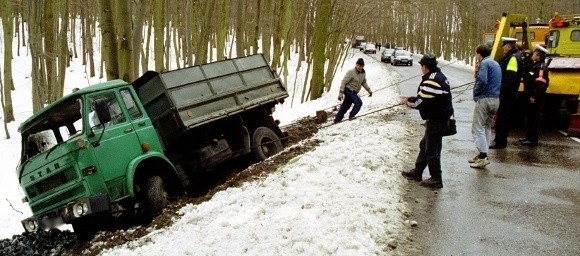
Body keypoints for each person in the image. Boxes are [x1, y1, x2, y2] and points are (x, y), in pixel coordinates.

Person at [401, 54, 454, 188]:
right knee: (424, 145)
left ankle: (436, 178)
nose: (421, 68)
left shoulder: (432, 80)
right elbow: (426, 97)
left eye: (421, 66)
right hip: (437, 118)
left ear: (425, 67)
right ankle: (417, 172)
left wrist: (408, 102)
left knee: (432, 150)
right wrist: (411, 98)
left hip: (438, 119)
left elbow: (421, 102)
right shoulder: (436, 76)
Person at [469, 44, 501, 168]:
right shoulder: (496, 63)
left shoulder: (484, 64)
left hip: (485, 99)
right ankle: (484, 153)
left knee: (477, 128)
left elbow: (482, 80)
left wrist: (476, 93)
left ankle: (483, 156)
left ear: (479, 54)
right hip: (495, 99)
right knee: (487, 128)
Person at [490, 37, 523, 149]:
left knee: (502, 118)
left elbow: (510, 77)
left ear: (508, 46)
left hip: (507, 94)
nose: (502, 48)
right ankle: (500, 140)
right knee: (502, 117)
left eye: (503, 46)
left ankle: (500, 141)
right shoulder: (511, 57)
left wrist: (501, 90)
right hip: (508, 93)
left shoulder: (513, 58)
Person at [519, 45, 550, 146]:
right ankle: (528, 137)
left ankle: (532, 139)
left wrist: (534, 96)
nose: (532, 55)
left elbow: (540, 84)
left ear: (539, 56)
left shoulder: (541, 67)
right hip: (530, 95)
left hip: (536, 97)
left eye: (534, 54)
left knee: (534, 118)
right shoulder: (535, 65)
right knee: (529, 117)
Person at [333, 58, 373, 123]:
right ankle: (352, 115)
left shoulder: (363, 73)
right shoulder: (351, 72)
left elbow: (363, 82)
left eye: (361, 66)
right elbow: (343, 82)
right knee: (358, 102)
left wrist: (369, 90)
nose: (359, 67)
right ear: (356, 65)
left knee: (345, 106)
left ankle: (337, 119)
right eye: (358, 65)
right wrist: (341, 93)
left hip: (354, 92)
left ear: (363, 66)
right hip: (348, 90)